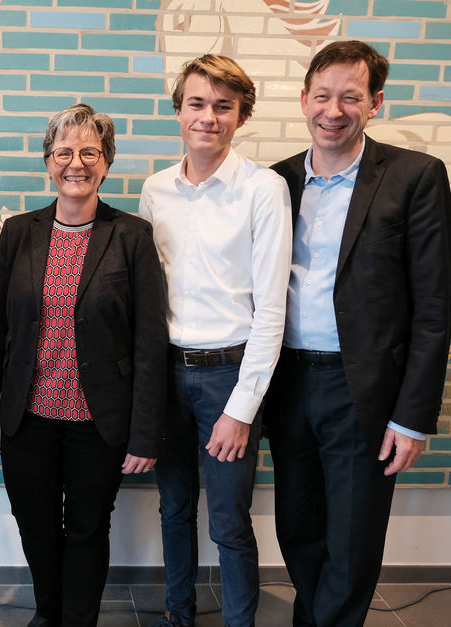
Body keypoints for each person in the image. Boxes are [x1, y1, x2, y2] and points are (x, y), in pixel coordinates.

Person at [265, 40, 451, 627]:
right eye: (322, 95)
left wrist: (412, 415)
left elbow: (431, 308)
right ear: (303, 100)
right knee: (296, 527)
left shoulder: (414, 176)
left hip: (362, 389)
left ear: (374, 102)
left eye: (351, 97)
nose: (334, 109)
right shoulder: (276, 183)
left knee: (351, 537)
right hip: (288, 380)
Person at [0, 103, 167, 627]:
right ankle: (48, 613)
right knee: (35, 525)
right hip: (27, 416)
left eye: (89, 152)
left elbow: (150, 343)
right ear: (48, 161)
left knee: (87, 527)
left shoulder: (131, 236)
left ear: (106, 163)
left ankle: (78, 619)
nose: (75, 162)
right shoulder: (19, 233)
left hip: (99, 420)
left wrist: (145, 434)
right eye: (64, 152)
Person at [139, 55, 292, 627]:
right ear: (179, 110)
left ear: (240, 116)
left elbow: (272, 308)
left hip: (230, 376)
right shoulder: (155, 190)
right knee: (174, 509)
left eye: (223, 107)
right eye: (197, 104)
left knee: (228, 520)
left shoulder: (263, 189)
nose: (209, 117)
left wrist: (242, 409)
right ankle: (179, 615)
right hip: (168, 374)